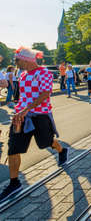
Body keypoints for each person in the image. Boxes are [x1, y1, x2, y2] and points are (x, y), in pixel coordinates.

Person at [0, 47, 68, 201]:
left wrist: (27, 109)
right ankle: (14, 183)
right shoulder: (22, 74)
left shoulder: (44, 73)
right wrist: (19, 111)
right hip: (21, 116)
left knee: (46, 143)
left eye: (17, 60)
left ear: (26, 59)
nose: (16, 63)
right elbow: (23, 96)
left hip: (40, 116)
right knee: (13, 147)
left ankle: (62, 151)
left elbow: (45, 94)